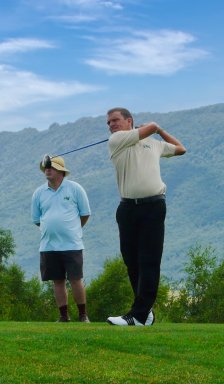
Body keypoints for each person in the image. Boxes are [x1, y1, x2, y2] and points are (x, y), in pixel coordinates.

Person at [105, 107, 186, 326]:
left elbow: (181, 149)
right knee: (132, 261)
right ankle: (144, 310)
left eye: (115, 120)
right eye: (109, 123)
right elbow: (149, 127)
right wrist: (153, 127)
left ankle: (139, 315)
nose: (111, 125)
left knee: (149, 260)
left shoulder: (154, 143)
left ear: (129, 121)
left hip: (153, 206)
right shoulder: (117, 141)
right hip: (127, 208)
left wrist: (159, 131)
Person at [31, 155, 91, 323]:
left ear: (61, 171)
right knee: (57, 281)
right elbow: (37, 219)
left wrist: (71, 230)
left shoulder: (75, 189)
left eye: (51, 167)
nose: (48, 170)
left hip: (72, 244)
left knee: (75, 280)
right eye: (46, 167)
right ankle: (64, 316)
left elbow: (85, 214)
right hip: (48, 245)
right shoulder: (39, 193)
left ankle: (83, 315)